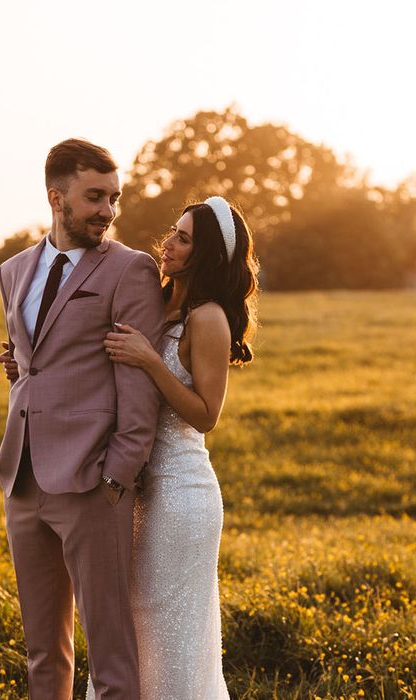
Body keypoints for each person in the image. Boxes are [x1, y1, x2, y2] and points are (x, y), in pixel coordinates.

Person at [0, 138, 165, 699]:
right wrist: (17, 373)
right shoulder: (14, 270)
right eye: (95, 197)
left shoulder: (131, 270)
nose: (108, 211)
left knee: (112, 656)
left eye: (113, 198)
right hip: (23, 478)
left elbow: (137, 387)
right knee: (43, 651)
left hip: (94, 483)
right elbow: (34, 362)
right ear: (56, 197)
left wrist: (118, 473)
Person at [90, 196, 259, 698]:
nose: (169, 243)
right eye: (173, 232)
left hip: (182, 494)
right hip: (136, 488)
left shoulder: (207, 318)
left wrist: (150, 360)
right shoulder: (155, 301)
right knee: (133, 627)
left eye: (183, 238)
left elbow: (207, 416)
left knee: (174, 639)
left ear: (205, 253)